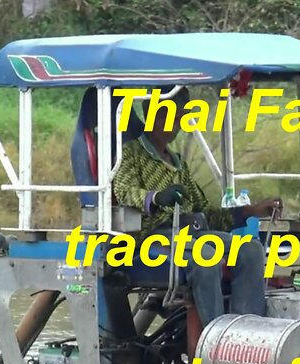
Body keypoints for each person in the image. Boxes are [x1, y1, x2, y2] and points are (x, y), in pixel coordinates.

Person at [111, 87, 282, 325]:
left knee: (250, 249)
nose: (175, 124)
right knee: (205, 255)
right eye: (167, 116)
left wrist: (250, 211)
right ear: (150, 114)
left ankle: (246, 331)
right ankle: (217, 337)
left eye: (179, 118)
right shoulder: (131, 153)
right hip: (149, 239)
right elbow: (124, 190)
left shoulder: (178, 163)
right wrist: (157, 197)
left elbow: (205, 214)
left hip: (190, 235)